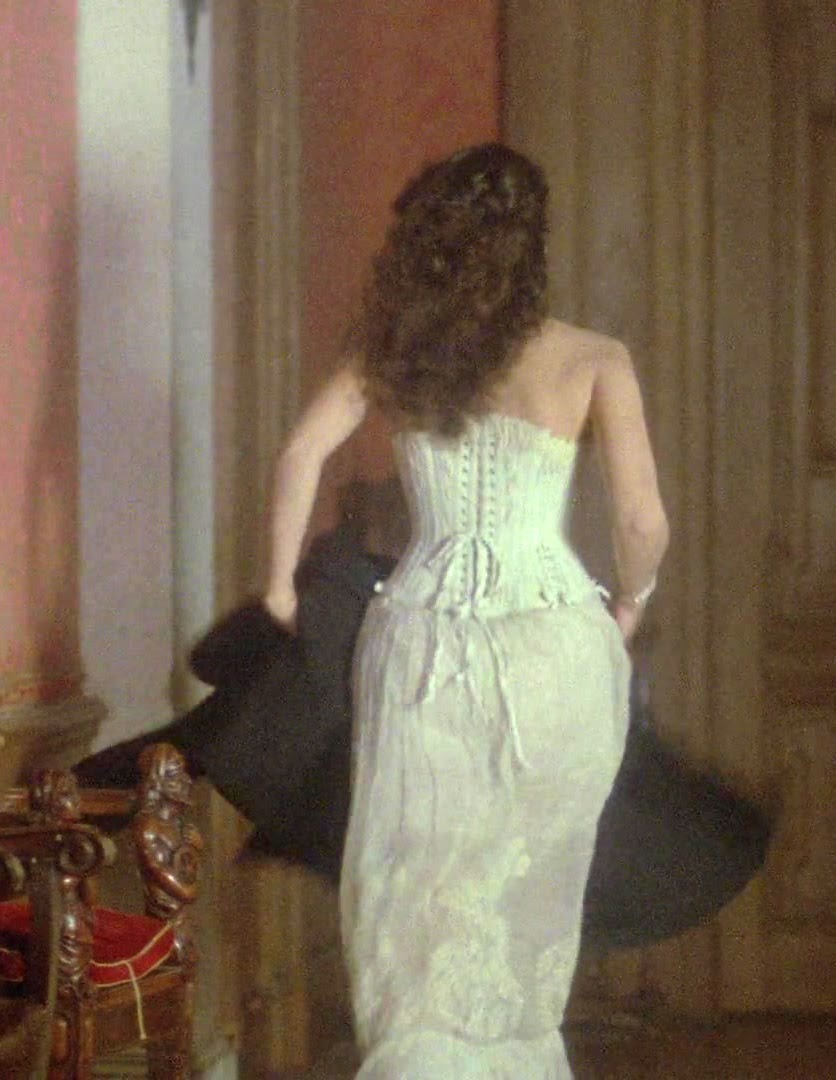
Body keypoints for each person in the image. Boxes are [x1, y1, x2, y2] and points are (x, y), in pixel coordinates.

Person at [265, 143, 668, 1078]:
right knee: (526, 897)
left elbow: (299, 455)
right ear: (532, 246)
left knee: (412, 889)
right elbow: (642, 522)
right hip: (555, 646)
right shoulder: (594, 359)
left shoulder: (396, 351)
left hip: (424, 640)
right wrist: (632, 600)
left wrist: (281, 586)